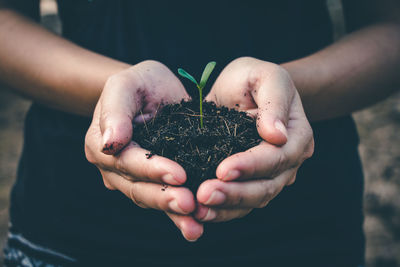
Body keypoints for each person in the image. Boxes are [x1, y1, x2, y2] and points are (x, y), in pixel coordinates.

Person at [0, 0, 399, 266]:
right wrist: (115, 92)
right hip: (74, 225)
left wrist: (284, 91)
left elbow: (389, 28)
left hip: (301, 224)